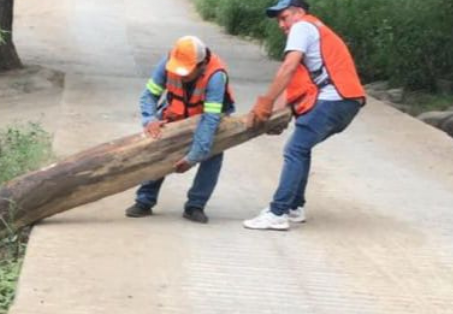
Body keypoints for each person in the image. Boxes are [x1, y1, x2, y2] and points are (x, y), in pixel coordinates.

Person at [243, 0, 366, 231]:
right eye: (278, 19)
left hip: (335, 99)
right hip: (347, 101)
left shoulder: (302, 27)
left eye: (284, 17)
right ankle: (294, 207)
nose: (281, 24)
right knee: (302, 148)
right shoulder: (316, 31)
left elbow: (287, 68)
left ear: (299, 13)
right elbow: (294, 86)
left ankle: (278, 212)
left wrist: (265, 102)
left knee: (295, 150)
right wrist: (274, 114)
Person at [125, 35, 236, 224]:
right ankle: (145, 200)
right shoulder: (169, 61)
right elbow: (149, 95)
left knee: (212, 152)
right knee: (157, 146)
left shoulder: (216, 76)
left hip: (206, 120)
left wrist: (193, 157)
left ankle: (195, 205)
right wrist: (150, 119)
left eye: (187, 71)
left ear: (201, 65)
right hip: (175, 114)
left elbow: (210, 121)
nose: (182, 75)